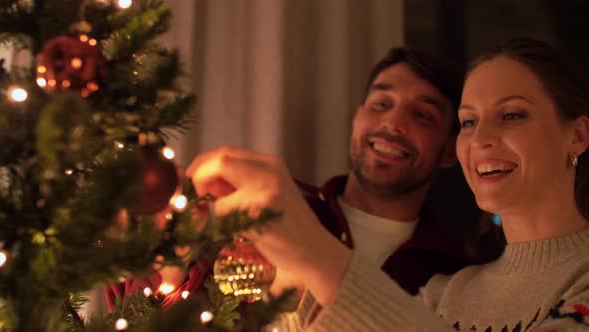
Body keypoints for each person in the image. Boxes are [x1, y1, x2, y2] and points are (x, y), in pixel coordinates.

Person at [188, 38, 589, 331]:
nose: (482, 137)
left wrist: (314, 254)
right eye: (469, 121)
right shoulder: (446, 292)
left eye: (512, 115)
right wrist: (290, 283)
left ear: (578, 136)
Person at [106, 47, 495, 311]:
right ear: (358, 117)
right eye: (381, 104)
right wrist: (173, 260)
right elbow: (133, 317)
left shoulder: (456, 277)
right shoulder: (262, 211)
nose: (392, 123)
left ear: (448, 150)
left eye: (422, 116)